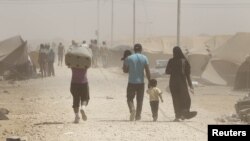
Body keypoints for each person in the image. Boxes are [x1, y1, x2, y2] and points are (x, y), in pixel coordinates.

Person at [165, 46, 197, 122]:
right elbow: (187, 74)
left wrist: (173, 70)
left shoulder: (171, 61)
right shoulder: (184, 61)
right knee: (186, 98)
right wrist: (190, 85)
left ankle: (177, 116)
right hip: (181, 83)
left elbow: (167, 72)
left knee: (175, 99)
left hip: (173, 83)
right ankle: (185, 113)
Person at [123, 43, 151, 121]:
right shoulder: (145, 58)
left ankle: (132, 109)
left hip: (131, 82)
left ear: (134, 50)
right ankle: (138, 116)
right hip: (141, 82)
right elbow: (147, 70)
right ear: (141, 50)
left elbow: (125, 70)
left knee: (129, 98)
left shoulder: (129, 58)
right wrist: (149, 81)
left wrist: (129, 68)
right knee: (140, 99)